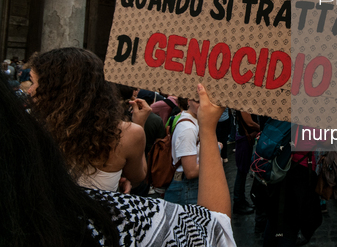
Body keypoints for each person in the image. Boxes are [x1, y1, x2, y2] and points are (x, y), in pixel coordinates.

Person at [1, 73, 236, 246]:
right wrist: (208, 129)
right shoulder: (102, 218)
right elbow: (214, 230)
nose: (29, 92)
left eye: (33, 83)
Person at [28, 48, 148, 191]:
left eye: (33, 82)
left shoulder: (30, 126)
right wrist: (139, 124)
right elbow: (137, 177)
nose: (29, 90)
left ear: (55, 89)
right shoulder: (129, 134)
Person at [164, 97, 201, 205]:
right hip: (187, 186)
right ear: (189, 101)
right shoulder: (188, 128)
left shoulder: (193, 120)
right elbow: (191, 171)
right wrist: (215, 163)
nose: (203, 104)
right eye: (198, 101)